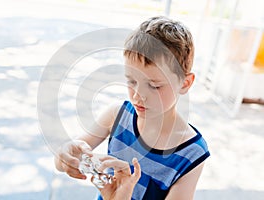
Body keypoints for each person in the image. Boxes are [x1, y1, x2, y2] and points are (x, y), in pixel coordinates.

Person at [54, 16, 210, 200]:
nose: (137, 95)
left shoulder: (191, 153)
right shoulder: (117, 115)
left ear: (185, 83)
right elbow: (65, 160)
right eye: (131, 81)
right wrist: (65, 156)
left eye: (154, 86)